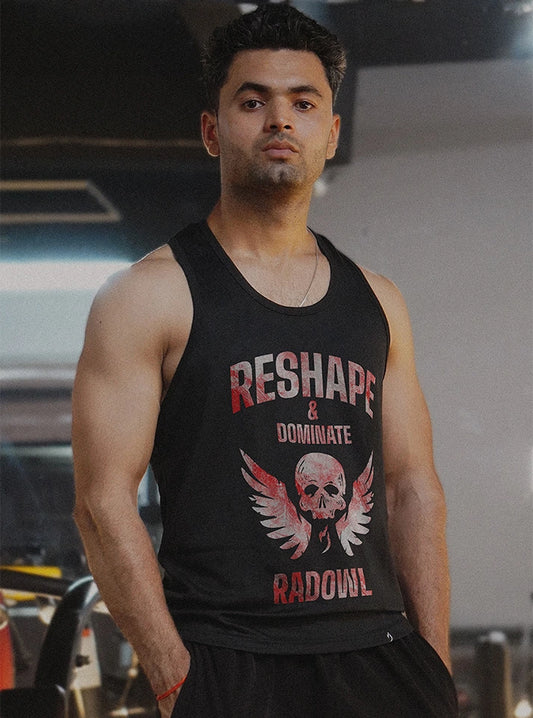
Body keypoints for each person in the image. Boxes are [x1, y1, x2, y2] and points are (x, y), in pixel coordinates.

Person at [72, 5, 458, 717]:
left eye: (302, 102)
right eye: (252, 101)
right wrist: (172, 678)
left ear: (329, 133)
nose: (279, 119)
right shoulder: (148, 295)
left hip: (380, 657)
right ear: (212, 132)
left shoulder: (378, 300)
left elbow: (411, 488)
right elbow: (101, 503)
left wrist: (430, 666)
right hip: (226, 662)